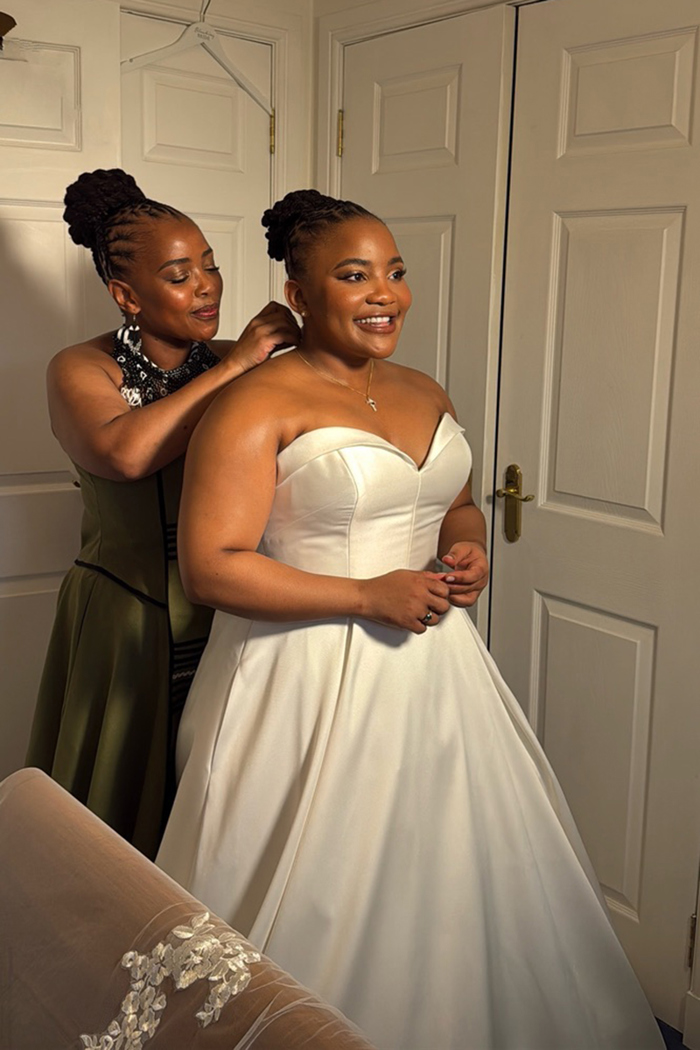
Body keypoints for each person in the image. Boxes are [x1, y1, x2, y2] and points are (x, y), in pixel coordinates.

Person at [156, 189, 664, 1048]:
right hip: (302, 682)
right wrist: (364, 595)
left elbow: (455, 503)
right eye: (354, 275)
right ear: (301, 290)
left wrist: (467, 549)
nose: (384, 293)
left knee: (453, 886)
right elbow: (210, 569)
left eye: (394, 272)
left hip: (435, 674)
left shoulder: (424, 390)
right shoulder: (251, 404)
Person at [26, 168, 299, 860]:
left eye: (209, 266)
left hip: (231, 616)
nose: (206, 286)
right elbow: (123, 453)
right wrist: (238, 367)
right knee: (115, 831)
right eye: (180, 275)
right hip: (128, 622)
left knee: (220, 823)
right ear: (127, 295)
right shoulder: (81, 369)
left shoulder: (239, 356)